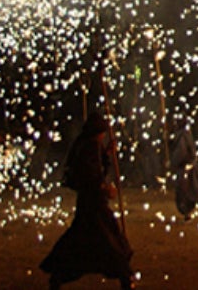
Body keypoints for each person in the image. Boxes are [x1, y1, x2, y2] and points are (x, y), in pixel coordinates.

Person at [41, 113, 133, 289]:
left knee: (89, 241)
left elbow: (97, 168)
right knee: (108, 241)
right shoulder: (89, 146)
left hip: (92, 204)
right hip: (93, 205)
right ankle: (125, 276)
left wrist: (106, 154)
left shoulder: (90, 145)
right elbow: (89, 175)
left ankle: (124, 276)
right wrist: (104, 188)